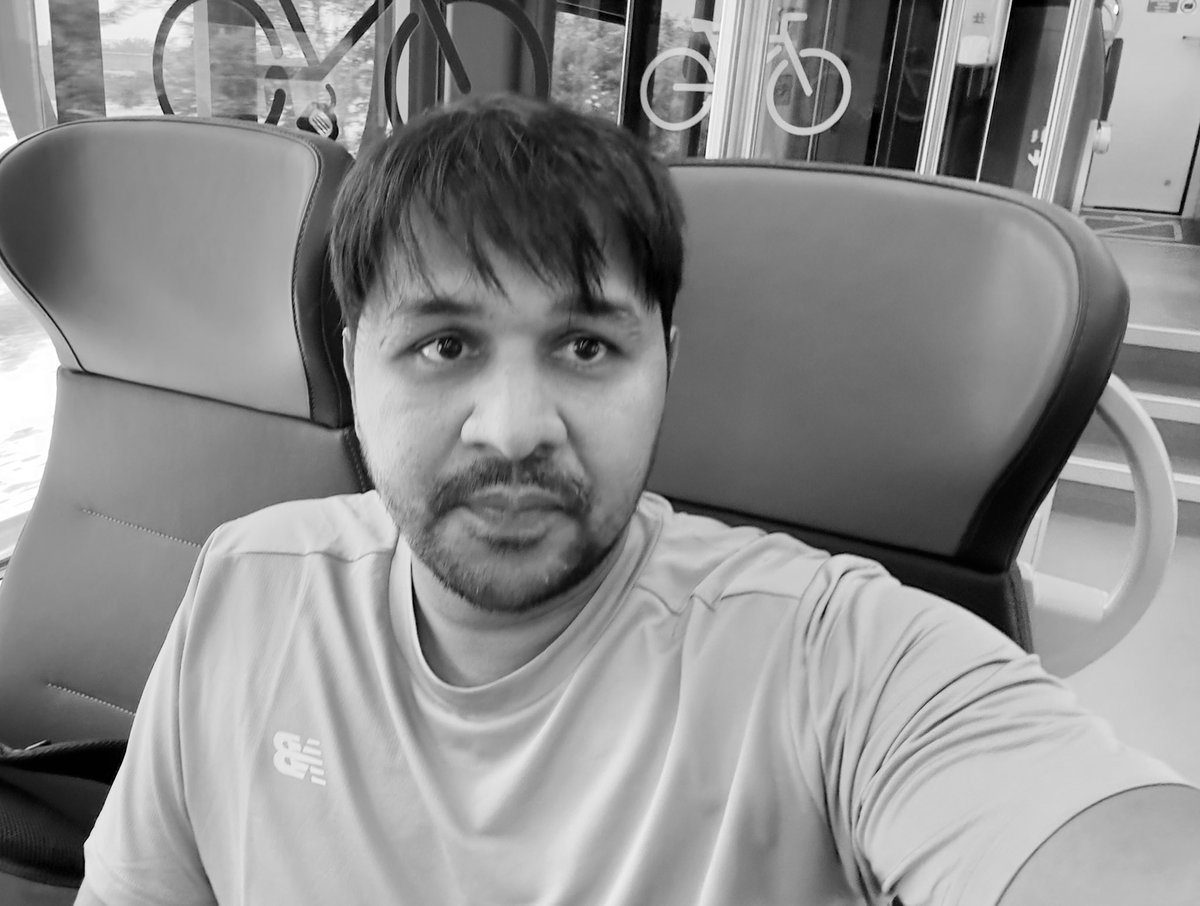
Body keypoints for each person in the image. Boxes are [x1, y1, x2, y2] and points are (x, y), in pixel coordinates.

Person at [77, 94, 1200, 905]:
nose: (514, 426)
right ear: (349, 365)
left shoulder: (833, 659)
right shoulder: (247, 586)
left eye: (584, 346)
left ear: (666, 365)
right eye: (444, 344)